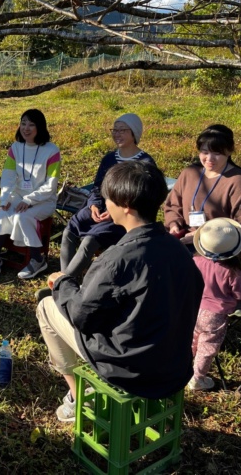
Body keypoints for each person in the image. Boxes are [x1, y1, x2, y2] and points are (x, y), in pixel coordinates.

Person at [37, 161, 204, 423]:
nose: (105, 205)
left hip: (128, 369)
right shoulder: (180, 251)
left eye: (107, 199)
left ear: (125, 205)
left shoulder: (118, 258)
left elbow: (82, 315)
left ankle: (74, 395)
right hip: (174, 366)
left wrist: (61, 283)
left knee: (46, 307)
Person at [59, 113, 155, 279]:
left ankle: (64, 282)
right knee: (70, 229)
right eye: (114, 130)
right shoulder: (109, 158)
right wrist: (94, 205)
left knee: (90, 240)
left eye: (122, 130)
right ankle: (65, 276)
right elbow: (97, 188)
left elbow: (142, 198)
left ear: (134, 133)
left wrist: (115, 211)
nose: (117, 134)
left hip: (126, 215)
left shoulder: (145, 163)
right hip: (101, 207)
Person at [0, 109, 61, 279]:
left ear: (40, 127)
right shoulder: (16, 147)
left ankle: (37, 259)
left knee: (22, 216)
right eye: (23, 123)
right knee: (2, 212)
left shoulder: (51, 150)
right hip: (19, 196)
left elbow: (50, 185)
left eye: (31, 124)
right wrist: (5, 197)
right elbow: (8, 176)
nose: (26, 128)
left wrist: (29, 200)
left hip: (44, 200)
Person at [164, 124, 241, 250]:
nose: (209, 159)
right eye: (205, 152)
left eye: (217, 153)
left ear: (229, 151)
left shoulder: (238, 181)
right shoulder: (190, 173)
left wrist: (204, 236)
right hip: (182, 242)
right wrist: (174, 224)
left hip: (215, 249)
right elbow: (173, 205)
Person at [190, 218, 241, 391]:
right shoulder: (231, 270)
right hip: (215, 314)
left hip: (195, 308)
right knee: (207, 347)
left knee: (193, 340)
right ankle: (197, 378)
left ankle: (183, 368)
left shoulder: (196, 261)